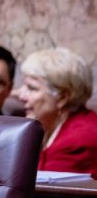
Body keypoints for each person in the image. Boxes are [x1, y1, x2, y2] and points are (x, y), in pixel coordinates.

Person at [16, 47, 97, 176]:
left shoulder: (77, 142)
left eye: (31, 88)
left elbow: (45, 192)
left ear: (62, 97)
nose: (21, 96)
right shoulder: (53, 125)